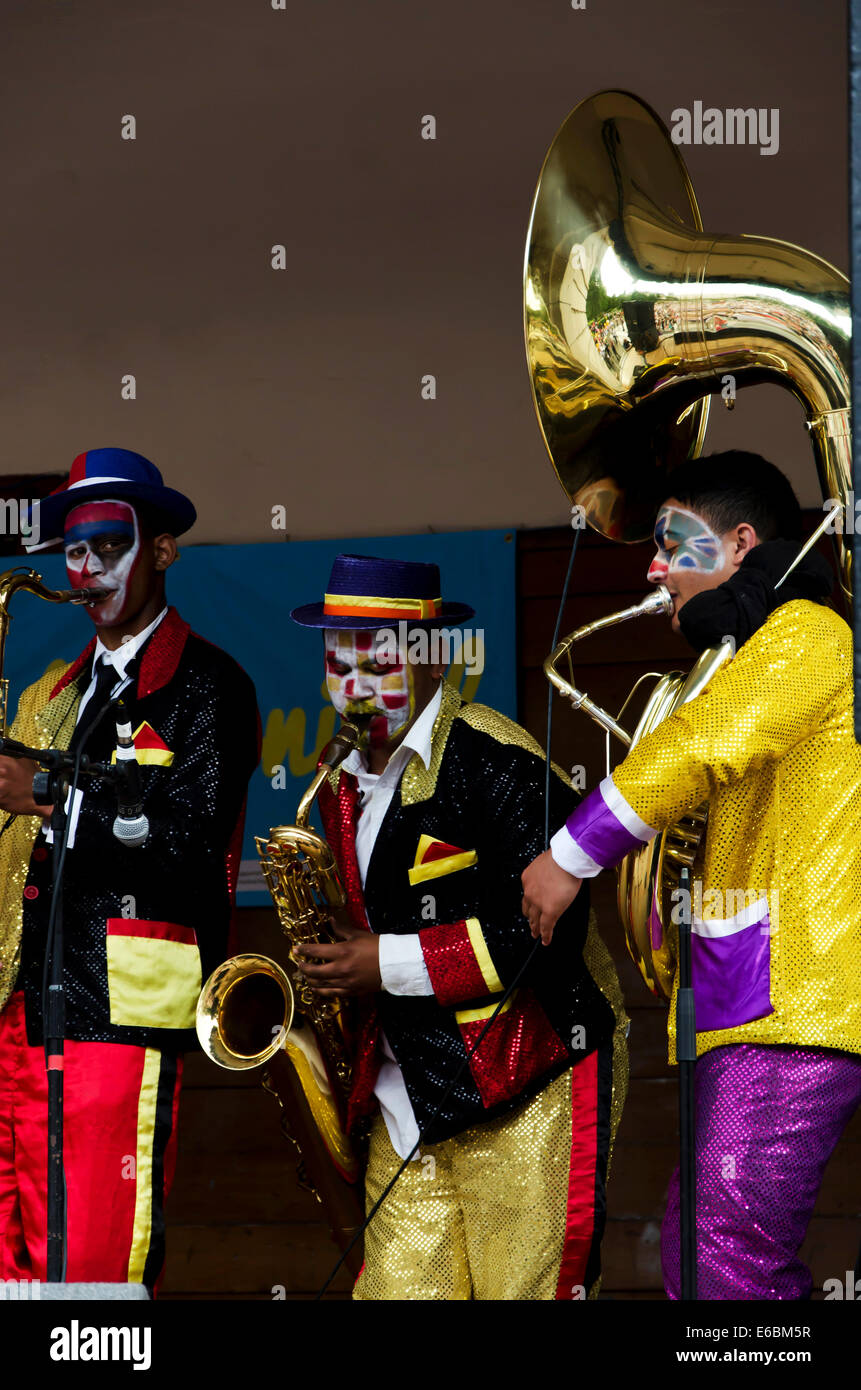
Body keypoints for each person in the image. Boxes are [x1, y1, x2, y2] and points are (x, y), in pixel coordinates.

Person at [521, 450, 861, 1300]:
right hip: (748, 1001)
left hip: (793, 1002)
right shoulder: (750, 649)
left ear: (741, 543)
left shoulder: (808, 633)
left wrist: (570, 855)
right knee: (699, 1252)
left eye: (676, 542)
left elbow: (702, 746)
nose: (654, 564)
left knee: (722, 1255)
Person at [290, 552, 628, 1300]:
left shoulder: (499, 760)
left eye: (374, 657)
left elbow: (547, 935)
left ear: (427, 654)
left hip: (529, 1084)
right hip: (408, 1099)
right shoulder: (338, 778)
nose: (352, 684)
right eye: (336, 659)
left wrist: (385, 962)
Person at [0, 448, 259, 1292]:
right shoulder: (53, 692)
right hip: (24, 1012)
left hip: (121, 1012)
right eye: (75, 551)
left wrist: (45, 790)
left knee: (95, 1271)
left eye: (109, 546)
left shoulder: (212, 686)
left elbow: (188, 846)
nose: (86, 570)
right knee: (18, 1274)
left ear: (162, 550)